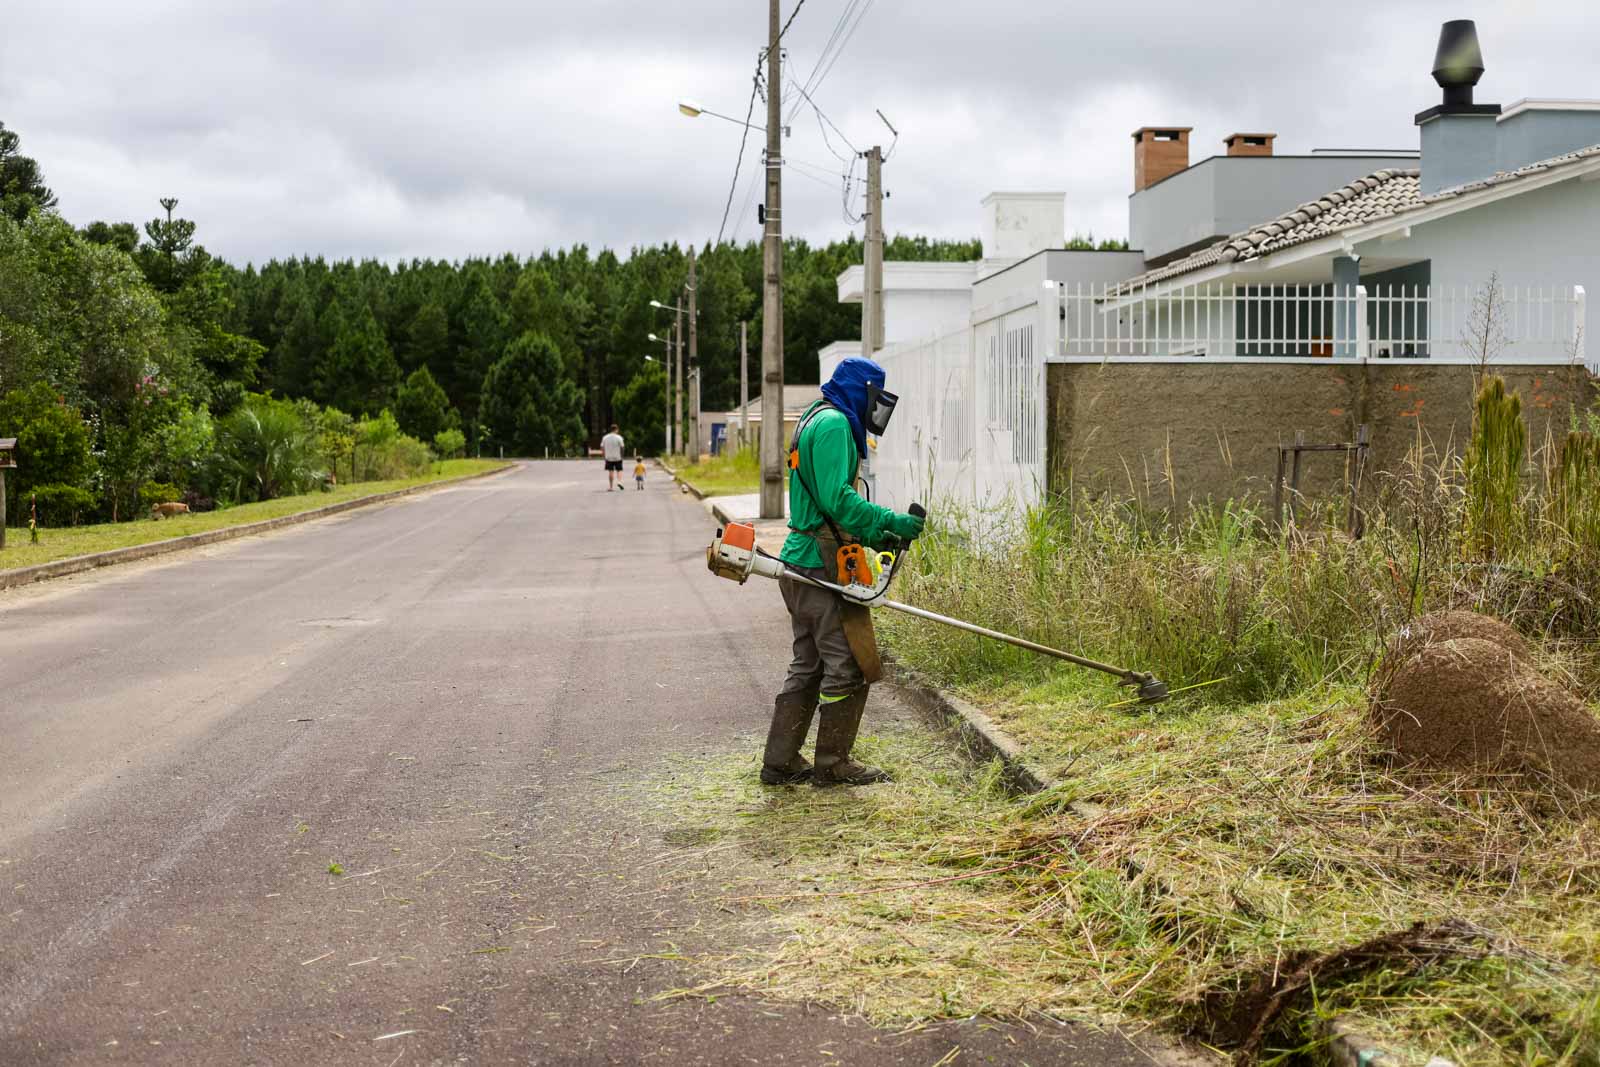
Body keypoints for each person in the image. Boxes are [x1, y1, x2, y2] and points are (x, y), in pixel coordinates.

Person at [761, 356, 925, 788]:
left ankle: (780, 762)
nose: (876, 409)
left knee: (808, 664)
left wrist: (873, 538)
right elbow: (838, 502)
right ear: (861, 391)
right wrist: (890, 521)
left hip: (801, 558)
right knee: (850, 664)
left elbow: (825, 510)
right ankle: (833, 764)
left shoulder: (813, 418)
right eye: (874, 397)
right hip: (819, 566)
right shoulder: (835, 425)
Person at [601, 424, 625, 491]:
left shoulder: (605, 437)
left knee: (611, 471)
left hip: (608, 457)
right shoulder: (619, 437)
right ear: (616, 429)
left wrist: (604, 455)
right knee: (619, 470)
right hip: (618, 456)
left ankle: (611, 487)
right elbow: (622, 447)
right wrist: (622, 455)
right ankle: (619, 482)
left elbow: (602, 447)